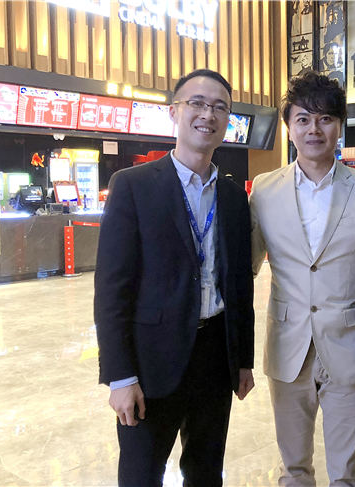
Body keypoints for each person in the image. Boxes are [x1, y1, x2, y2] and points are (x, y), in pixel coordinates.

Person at [94, 69, 255, 487]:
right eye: (197, 103)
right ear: (174, 112)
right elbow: (111, 290)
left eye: (219, 107)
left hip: (215, 357)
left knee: (205, 472)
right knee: (141, 475)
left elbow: (240, 283)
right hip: (151, 362)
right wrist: (120, 376)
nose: (208, 114)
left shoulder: (233, 197)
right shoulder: (133, 186)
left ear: (228, 119)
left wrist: (243, 360)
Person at [250, 71, 355, 486]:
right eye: (303, 119)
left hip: (350, 346)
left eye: (325, 118)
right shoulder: (264, 190)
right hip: (287, 346)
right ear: (289, 127)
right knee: (293, 468)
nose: (314, 129)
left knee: (347, 472)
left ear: (339, 126)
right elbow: (245, 267)